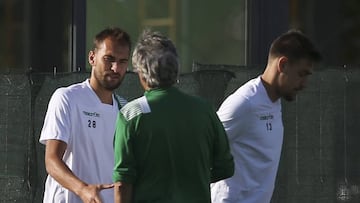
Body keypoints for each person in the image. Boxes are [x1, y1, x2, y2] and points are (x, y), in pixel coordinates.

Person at [112, 29, 234, 203]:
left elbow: (123, 182)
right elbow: (226, 167)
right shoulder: (204, 109)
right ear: (176, 70)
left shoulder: (131, 114)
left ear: (141, 72)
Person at [211, 29, 322, 203]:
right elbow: (199, 150)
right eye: (301, 74)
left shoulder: (273, 101)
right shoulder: (245, 103)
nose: (304, 84)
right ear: (283, 65)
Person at [39, 27, 131, 203]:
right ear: (92, 58)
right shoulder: (67, 98)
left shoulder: (125, 109)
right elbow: (51, 161)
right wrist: (83, 189)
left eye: (122, 62)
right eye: (108, 59)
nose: (115, 68)